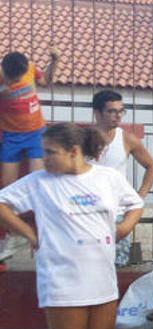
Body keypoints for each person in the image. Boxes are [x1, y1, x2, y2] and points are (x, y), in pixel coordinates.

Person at [0, 123, 144, 329]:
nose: (44, 158)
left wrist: (124, 229)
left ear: (74, 152)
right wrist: (29, 235)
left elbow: (135, 204)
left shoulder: (107, 178)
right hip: (62, 277)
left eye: (50, 152)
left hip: (102, 276)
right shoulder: (38, 183)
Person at [0, 49, 59, 267]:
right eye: (11, 78)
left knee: (38, 182)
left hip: (35, 133)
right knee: (7, 190)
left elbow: (46, 82)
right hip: (10, 136)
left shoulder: (30, 68)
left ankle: (40, 233)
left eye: (18, 78)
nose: (15, 81)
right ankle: (12, 235)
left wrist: (55, 62)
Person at [90, 90, 153, 266]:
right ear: (97, 113)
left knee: (116, 265)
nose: (118, 116)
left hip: (118, 213)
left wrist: (139, 196)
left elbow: (151, 166)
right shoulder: (83, 139)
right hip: (88, 211)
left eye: (121, 111)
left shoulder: (127, 139)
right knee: (89, 262)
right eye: (112, 111)